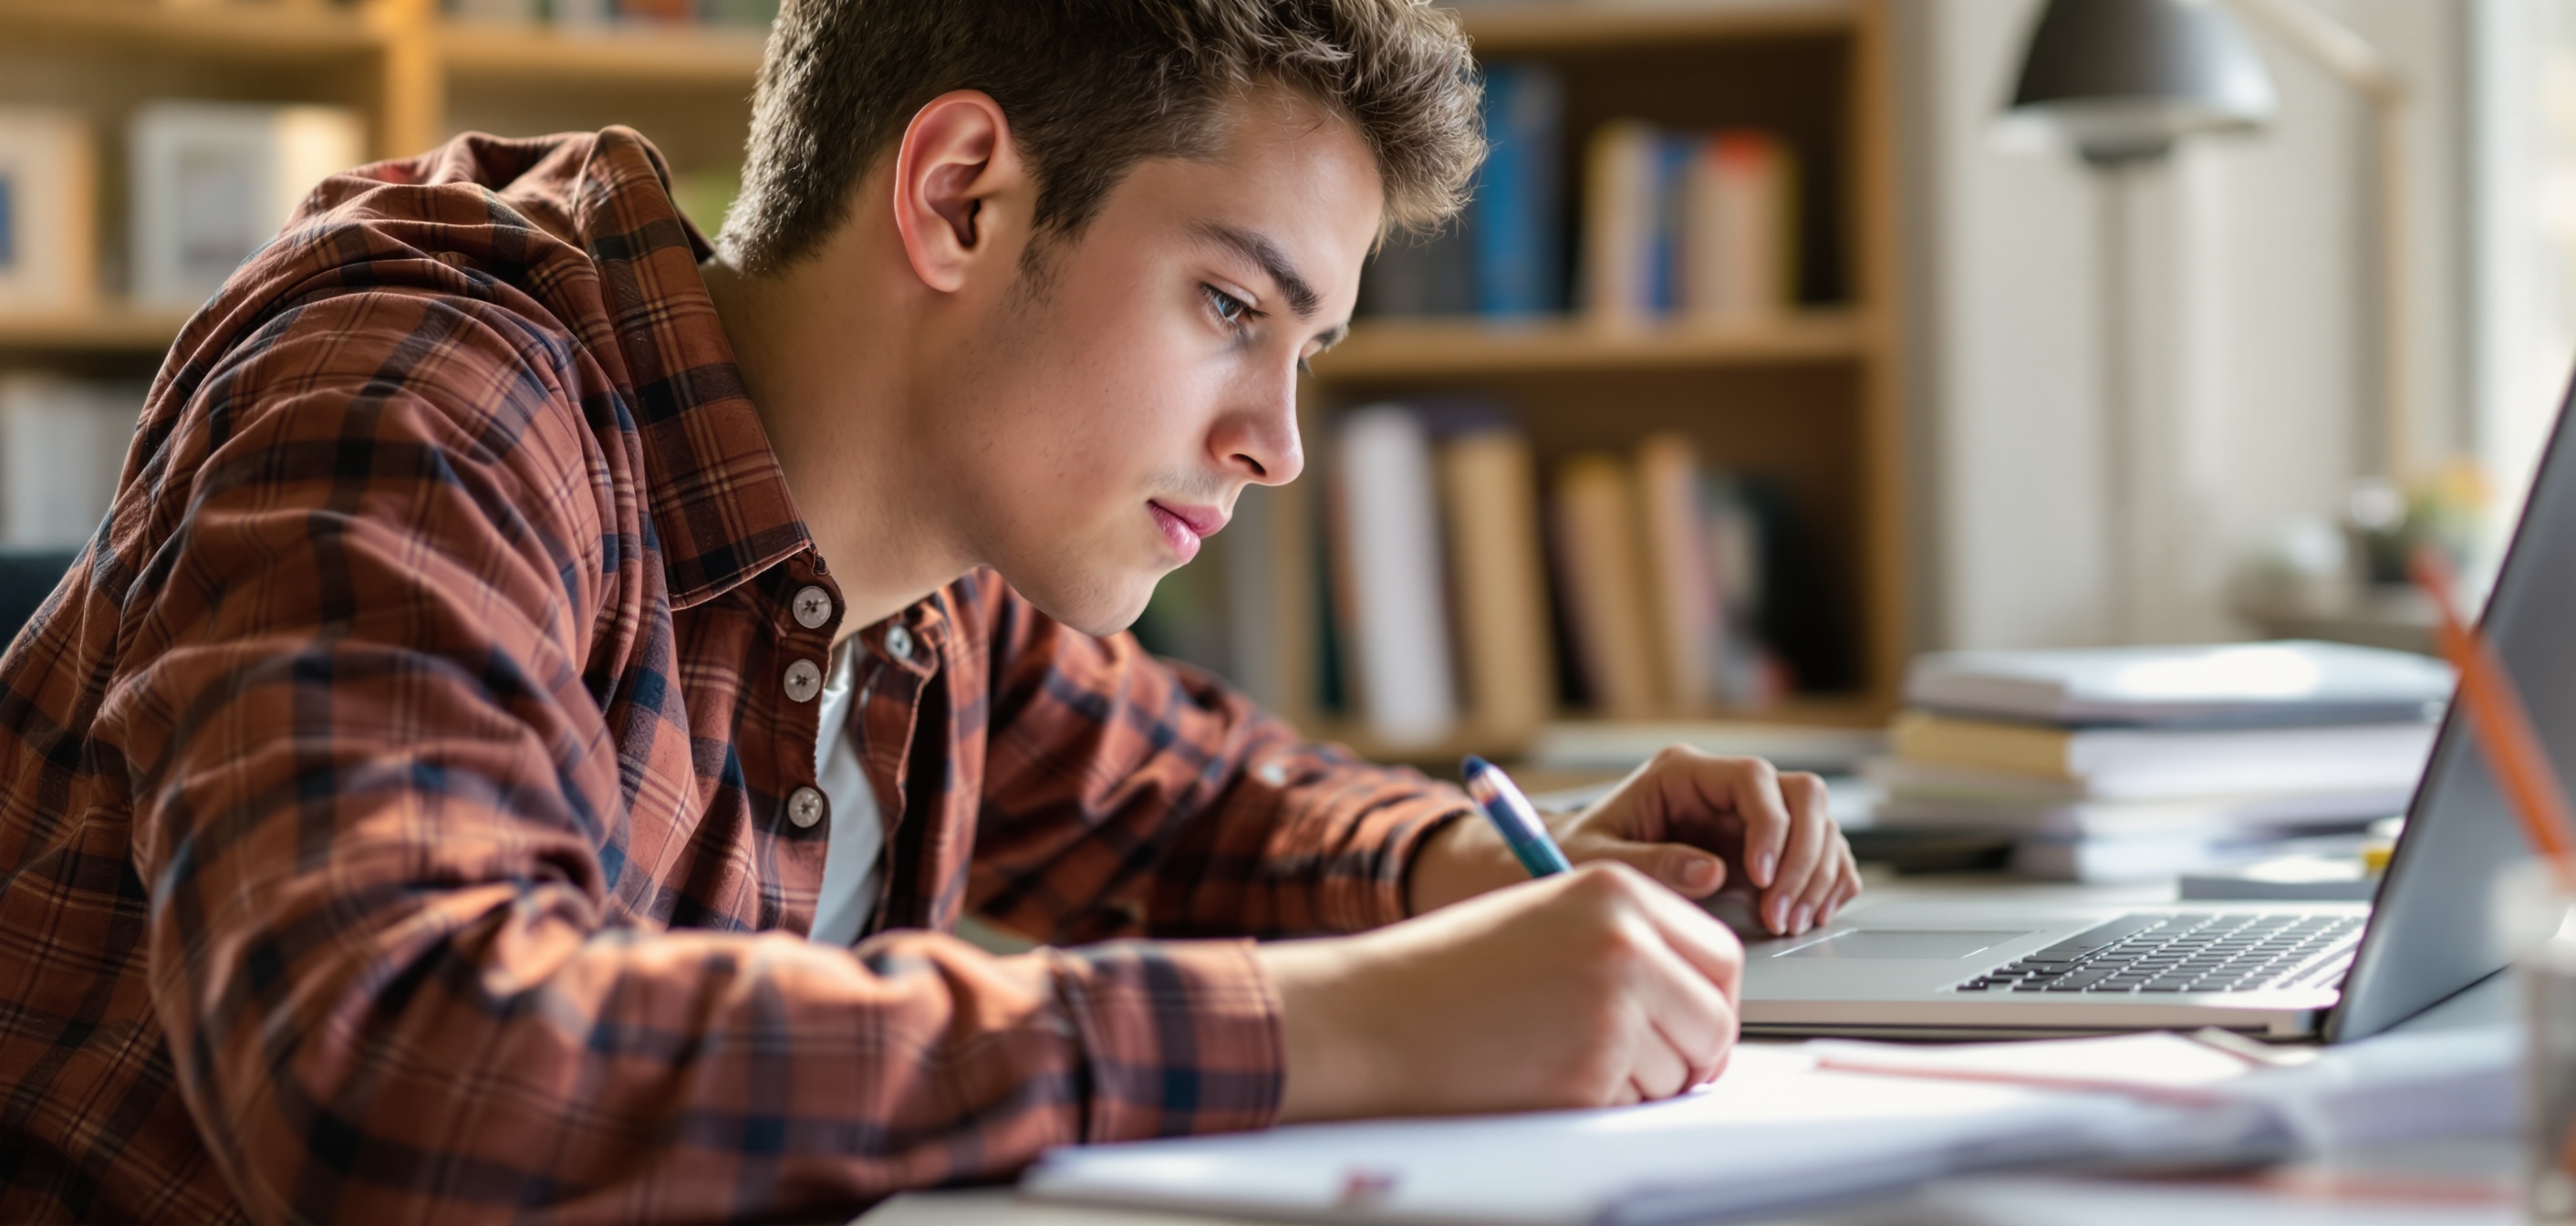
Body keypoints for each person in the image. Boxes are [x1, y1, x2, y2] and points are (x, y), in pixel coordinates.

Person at [0, 1, 1861, 1220]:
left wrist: (1494, 874)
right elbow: (395, 1062)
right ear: (961, 197)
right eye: (1231, 308)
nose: (1277, 444)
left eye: (1308, 350)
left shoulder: (914, 566)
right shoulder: (427, 399)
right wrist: (1350, 1027)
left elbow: (1203, 805)